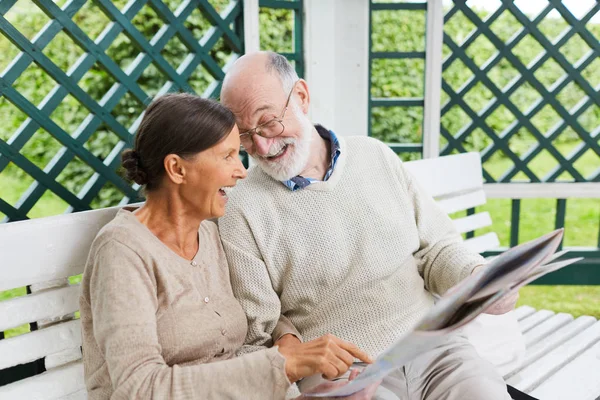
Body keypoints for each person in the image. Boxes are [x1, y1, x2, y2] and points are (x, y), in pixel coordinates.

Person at [218, 51, 519, 400]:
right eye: (245, 135)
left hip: (434, 349)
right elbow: (261, 332)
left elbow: (436, 248)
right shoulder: (241, 207)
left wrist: (476, 277)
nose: (262, 145)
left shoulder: (374, 155)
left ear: (301, 96)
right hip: (343, 374)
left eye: (267, 122)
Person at [79, 93, 378, 399]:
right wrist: (282, 365)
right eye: (227, 156)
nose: (242, 171)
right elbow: (138, 388)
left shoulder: (209, 236)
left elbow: (256, 307)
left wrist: (285, 336)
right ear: (177, 169)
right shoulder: (122, 252)